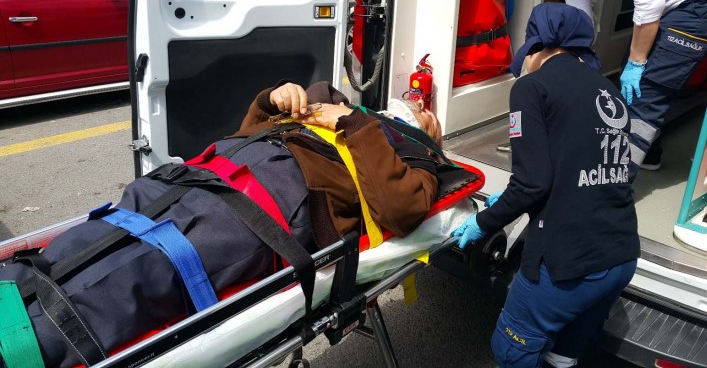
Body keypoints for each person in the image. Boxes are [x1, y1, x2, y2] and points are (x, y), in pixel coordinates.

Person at [0, 81, 447, 368]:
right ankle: (16, 288)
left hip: (259, 213)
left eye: (425, 113)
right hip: (193, 180)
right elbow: (246, 133)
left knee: (136, 276)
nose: (417, 104)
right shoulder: (330, 100)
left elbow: (401, 210)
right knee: (97, 237)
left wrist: (361, 125)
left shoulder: (414, 156)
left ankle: (27, 347)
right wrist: (271, 100)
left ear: (429, 132)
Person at [452, 3, 639, 368]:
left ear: (538, 45)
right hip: (621, 256)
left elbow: (532, 183)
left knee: (512, 350)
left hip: (568, 264)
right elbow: (587, 168)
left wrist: (484, 221)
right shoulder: (609, 90)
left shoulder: (532, 88)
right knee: (562, 355)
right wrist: (515, 198)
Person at [544, 0, 707, 177]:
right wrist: (572, 68)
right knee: (631, 77)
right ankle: (647, 154)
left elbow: (649, 0)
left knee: (646, 86)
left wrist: (637, 61)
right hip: (668, 0)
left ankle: (610, 186)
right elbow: (581, 27)